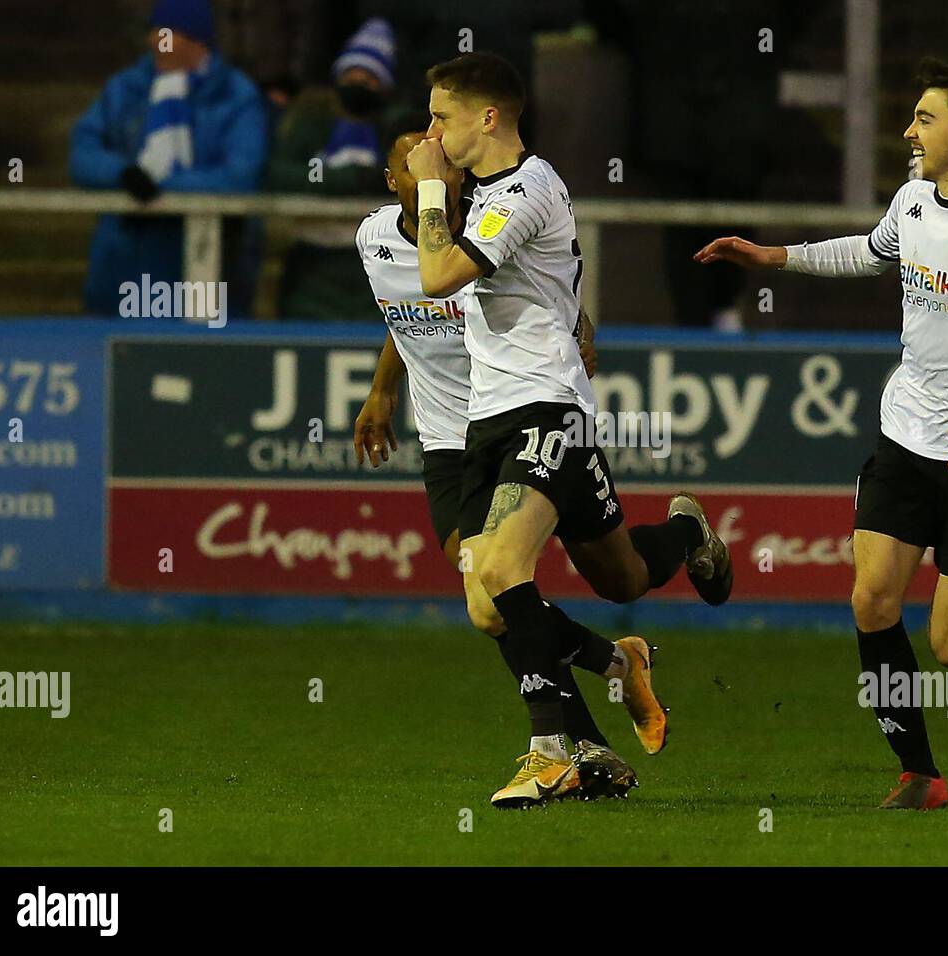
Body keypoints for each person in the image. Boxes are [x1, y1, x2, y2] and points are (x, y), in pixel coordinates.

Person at [695, 57, 948, 810]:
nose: (909, 130)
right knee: (872, 601)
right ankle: (920, 773)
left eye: (925, 119)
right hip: (904, 435)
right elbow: (872, 250)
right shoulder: (913, 199)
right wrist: (774, 255)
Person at [406, 52, 734, 807]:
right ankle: (684, 544)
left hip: (545, 408)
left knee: (501, 570)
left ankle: (550, 748)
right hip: (491, 416)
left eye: (442, 117)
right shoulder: (488, 193)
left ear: (487, 118)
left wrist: (429, 186)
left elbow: (436, 278)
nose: (432, 132)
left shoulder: (528, 185)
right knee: (605, 579)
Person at [352, 131, 637, 798]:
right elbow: (406, 311)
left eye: (444, 160)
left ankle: (581, 728)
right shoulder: (373, 240)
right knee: (490, 602)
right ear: (392, 181)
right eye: (416, 161)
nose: (436, 165)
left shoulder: (484, 226)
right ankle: (596, 715)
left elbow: (541, 285)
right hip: (448, 438)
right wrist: (382, 387)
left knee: (575, 582)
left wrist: (580, 325)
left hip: (511, 422)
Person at [69, 0, 267, 317]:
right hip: (124, 266)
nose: (154, 42)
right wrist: (123, 174)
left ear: (196, 40)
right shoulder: (124, 89)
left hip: (208, 264)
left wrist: (163, 188)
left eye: (166, 33)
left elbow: (240, 174)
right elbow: (83, 152)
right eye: (153, 32)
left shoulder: (235, 96)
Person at [268, 18, 426, 321]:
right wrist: (350, 179)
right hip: (313, 262)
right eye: (351, 76)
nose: (358, 86)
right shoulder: (311, 119)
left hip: (382, 261)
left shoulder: (395, 130)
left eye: (369, 79)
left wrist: (382, 179)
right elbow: (278, 174)